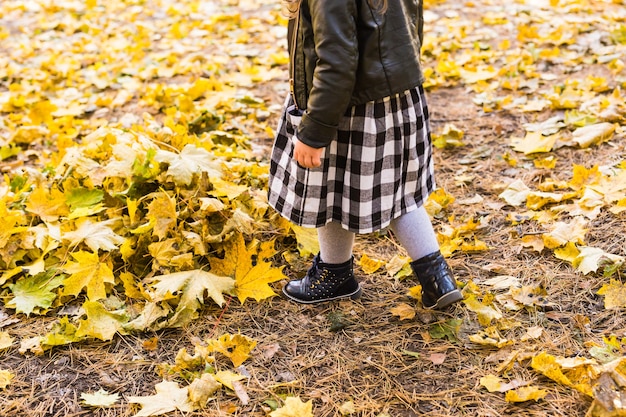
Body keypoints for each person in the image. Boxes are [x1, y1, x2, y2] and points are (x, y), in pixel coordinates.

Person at [267, 0, 463, 310]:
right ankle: (437, 278)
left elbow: (336, 63)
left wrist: (315, 131)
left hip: (348, 107)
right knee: (400, 193)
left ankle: (334, 272)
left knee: (329, 191)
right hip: (396, 96)